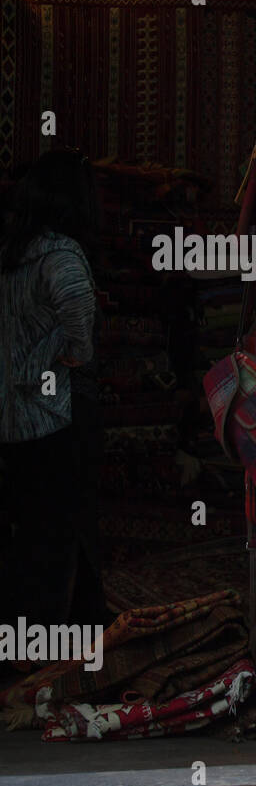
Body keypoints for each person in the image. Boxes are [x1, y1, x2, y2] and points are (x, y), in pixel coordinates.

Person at [0, 149, 109, 628]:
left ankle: (74, 620)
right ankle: (55, 633)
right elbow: (78, 311)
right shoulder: (59, 254)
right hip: (54, 412)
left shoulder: (12, 252)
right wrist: (75, 352)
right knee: (62, 525)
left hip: (13, 415)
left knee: (34, 525)